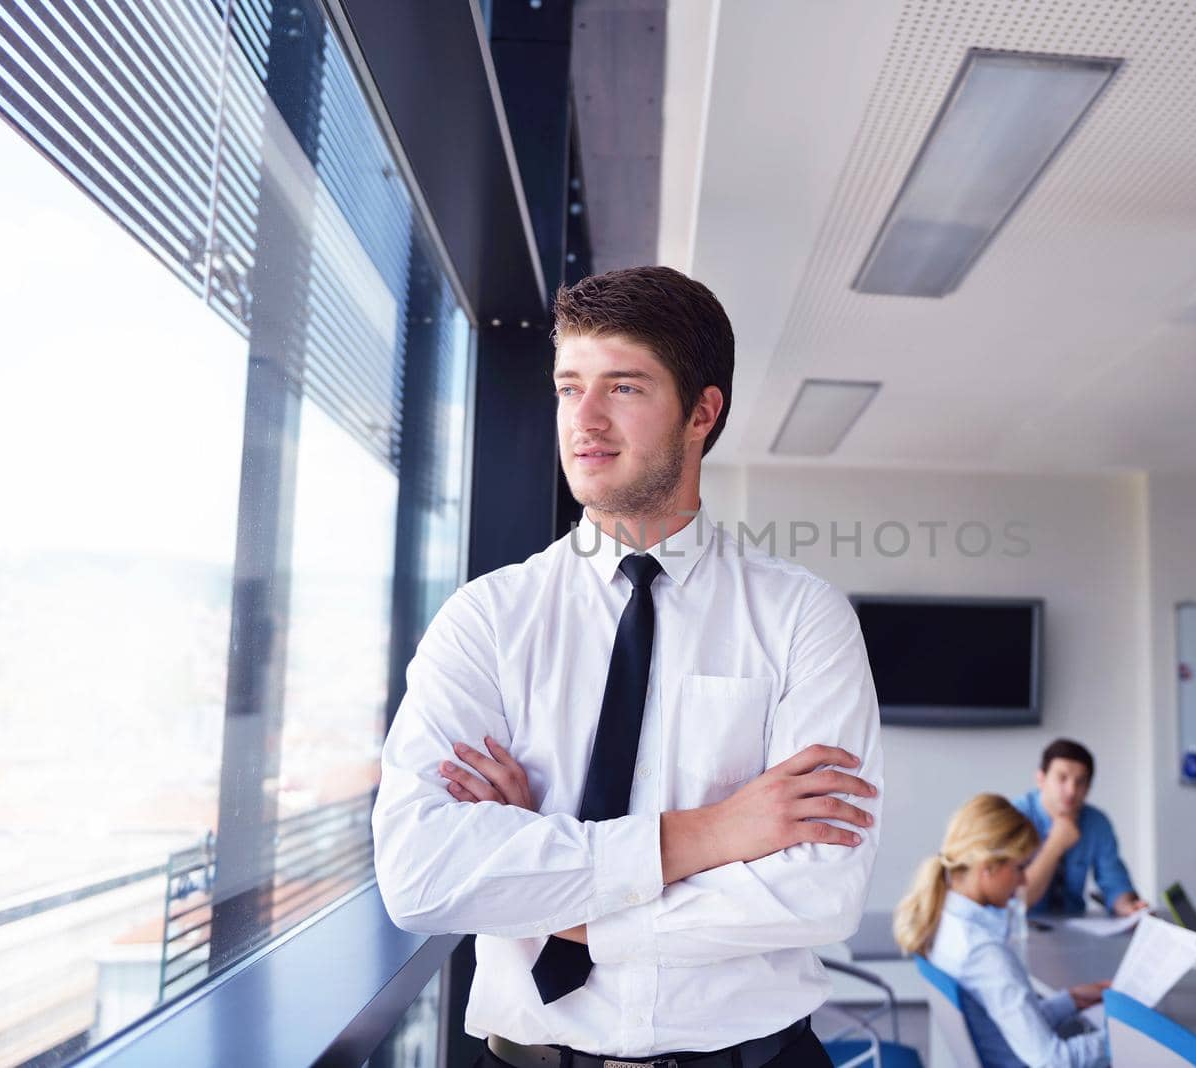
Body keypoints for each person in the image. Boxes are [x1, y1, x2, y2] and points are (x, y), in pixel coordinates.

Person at [372, 266, 884, 1068]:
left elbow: (819, 893)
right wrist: (712, 834)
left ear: (701, 412)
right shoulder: (486, 619)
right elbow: (420, 875)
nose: (586, 419)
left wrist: (548, 890)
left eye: (625, 387)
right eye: (568, 387)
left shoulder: (803, 619)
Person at [895, 794, 1111, 1068]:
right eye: (1019, 867)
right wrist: (1125, 1040)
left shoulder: (944, 922)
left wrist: (1071, 1000)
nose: (1023, 880)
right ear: (988, 869)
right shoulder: (984, 953)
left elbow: (1010, 1021)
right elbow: (1052, 1061)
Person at [1014, 739, 1146, 916]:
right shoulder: (1013, 817)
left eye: (1080, 782)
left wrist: (1127, 907)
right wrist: (1055, 845)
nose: (1071, 790)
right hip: (1022, 929)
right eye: (1062, 778)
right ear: (1041, 779)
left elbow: (1115, 883)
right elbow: (1017, 900)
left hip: (1074, 927)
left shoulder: (1096, 822)